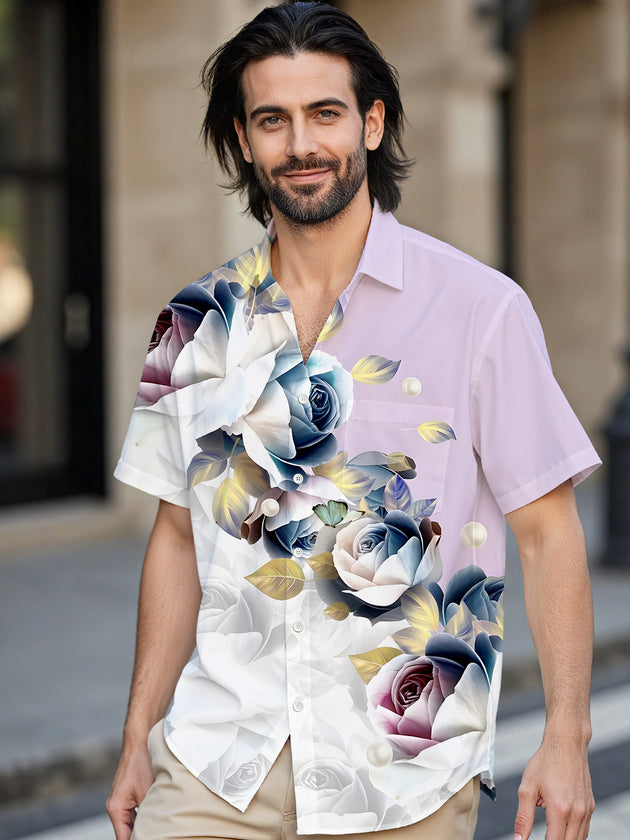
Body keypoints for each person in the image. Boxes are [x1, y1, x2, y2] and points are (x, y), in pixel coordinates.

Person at [106, 3, 600, 840]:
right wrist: (135, 735)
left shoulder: (482, 311)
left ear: (371, 123)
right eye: (273, 120)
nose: (301, 144)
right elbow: (178, 536)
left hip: (403, 775)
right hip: (218, 761)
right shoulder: (193, 322)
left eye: (324, 113)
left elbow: (548, 532)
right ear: (244, 139)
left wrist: (567, 737)